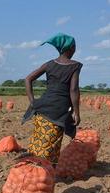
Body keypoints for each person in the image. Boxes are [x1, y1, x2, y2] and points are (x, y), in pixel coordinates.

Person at [22, 33, 82, 165]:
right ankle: (41, 172)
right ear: (71, 48)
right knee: (50, 145)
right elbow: (73, 90)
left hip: (41, 108)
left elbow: (28, 79)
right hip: (57, 111)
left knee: (39, 140)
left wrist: (32, 101)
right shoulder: (75, 66)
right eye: (75, 46)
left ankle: (36, 170)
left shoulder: (49, 64)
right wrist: (76, 112)